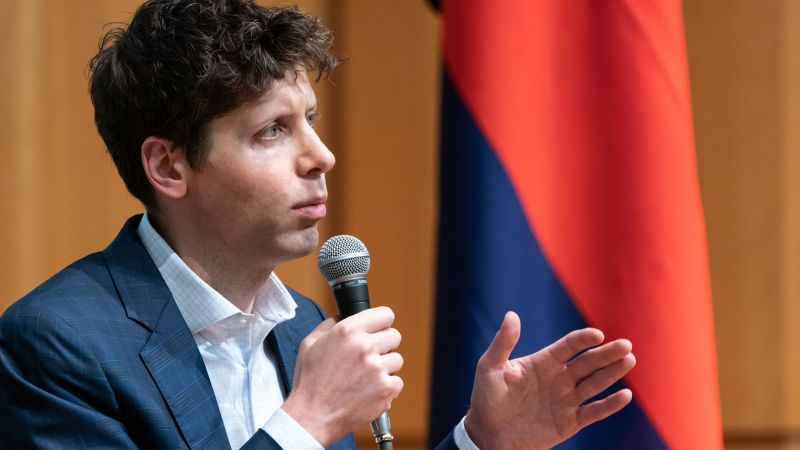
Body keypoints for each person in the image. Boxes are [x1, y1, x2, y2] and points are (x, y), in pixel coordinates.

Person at [0, 1, 636, 449]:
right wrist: (308, 421)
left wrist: (482, 441)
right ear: (169, 166)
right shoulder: (56, 346)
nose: (322, 156)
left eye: (309, 119)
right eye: (272, 131)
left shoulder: (302, 325)